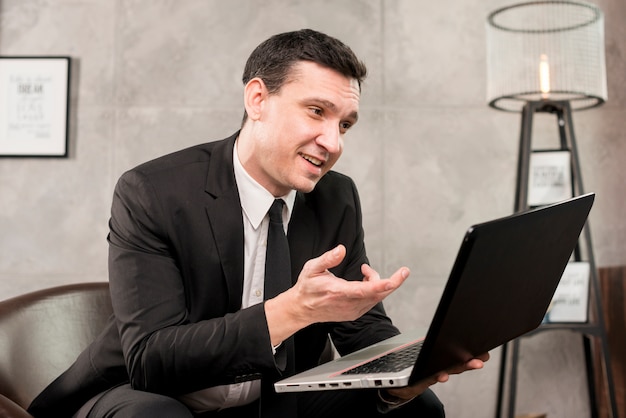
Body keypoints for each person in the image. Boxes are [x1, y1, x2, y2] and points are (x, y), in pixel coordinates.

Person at [28, 29, 488, 418]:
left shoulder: (336, 197)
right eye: (316, 111)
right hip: (144, 393)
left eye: (345, 124)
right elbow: (153, 360)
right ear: (257, 99)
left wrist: (404, 374)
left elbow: (359, 330)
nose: (333, 141)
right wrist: (295, 310)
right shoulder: (151, 192)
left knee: (421, 407)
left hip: (271, 397)